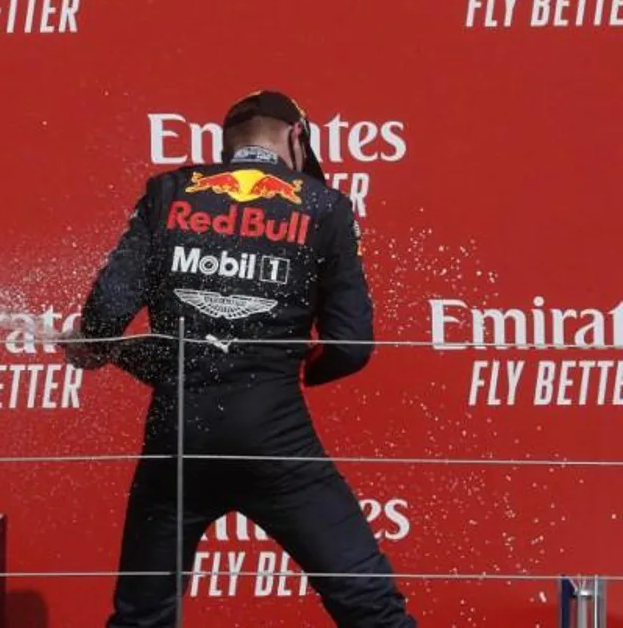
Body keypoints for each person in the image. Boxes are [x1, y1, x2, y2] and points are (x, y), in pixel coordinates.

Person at [61, 90, 417, 627]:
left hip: (178, 439)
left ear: (228, 143)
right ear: (296, 138)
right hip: (275, 438)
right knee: (369, 605)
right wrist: (291, 369)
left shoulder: (170, 193)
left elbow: (106, 316)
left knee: (142, 619)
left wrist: (98, 348)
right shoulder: (325, 207)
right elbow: (349, 347)